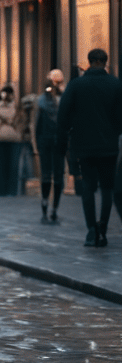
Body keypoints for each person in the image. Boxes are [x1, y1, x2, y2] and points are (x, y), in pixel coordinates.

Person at [55, 48, 122, 248]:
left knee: (88, 187)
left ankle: (91, 230)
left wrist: (62, 143)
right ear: (105, 63)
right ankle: (103, 227)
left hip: (83, 145)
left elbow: (63, 116)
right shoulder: (115, 84)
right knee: (107, 188)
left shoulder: (76, 85)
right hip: (109, 146)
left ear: (89, 62)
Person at [34, 70, 65, 222]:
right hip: (48, 140)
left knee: (57, 176)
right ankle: (47, 207)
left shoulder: (63, 99)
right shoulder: (42, 100)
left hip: (56, 141)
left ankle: (53, 209)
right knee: (48, 175)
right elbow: (37, 123)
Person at [0, 83, 23, 196]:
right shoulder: (16, 108)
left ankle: (0, 190)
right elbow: (20, 123)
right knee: (13, 167)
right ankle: (11, 191)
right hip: (14, 138)